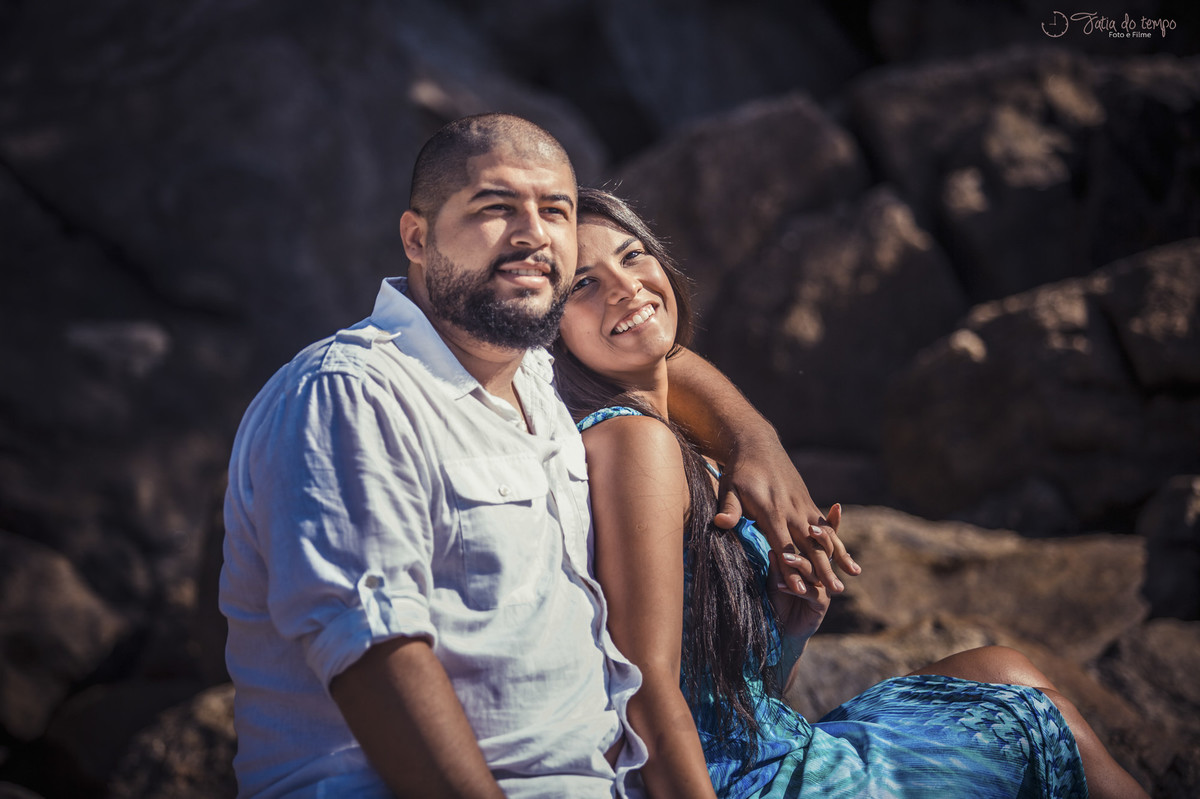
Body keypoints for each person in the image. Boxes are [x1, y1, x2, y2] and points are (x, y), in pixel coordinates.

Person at [220, 113, 855, 799]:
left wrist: (751, 439)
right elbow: (374, 651)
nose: (533, 234)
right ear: (416, 237)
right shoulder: (354, 393)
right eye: (495, 208)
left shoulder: (538, 380)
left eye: (554, 210)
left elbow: (652, 351)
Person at [552, 186, 1151, 799]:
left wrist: (789, 631)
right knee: (1041, 725)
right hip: (743, 781)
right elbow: (646, 688)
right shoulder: (634, 442)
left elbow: (727, 694)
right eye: (582, 284)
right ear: (547, 328)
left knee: (1001, 669)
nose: (624, 288)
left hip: (763, 742)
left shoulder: (676, 435)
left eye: (631, 255)